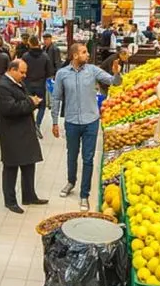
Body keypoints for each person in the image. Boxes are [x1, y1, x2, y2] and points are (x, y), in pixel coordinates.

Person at [51, 43, 123, 211]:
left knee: (88, 158)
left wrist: (117, 73)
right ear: (75, 55)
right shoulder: (62, 74)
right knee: (71, 155)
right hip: (71, 121)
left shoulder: (93, 70)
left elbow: (114, 82)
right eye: (84, 52)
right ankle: (71, 182)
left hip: (91, 121)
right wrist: (54, 121)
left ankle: (84, 194)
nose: (88, 55)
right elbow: (56, 98)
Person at [0, 59, 47, 214]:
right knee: (11, 167)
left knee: (29, 164)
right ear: (12, 70)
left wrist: (31, 101)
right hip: (11, 133)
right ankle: (10, 201)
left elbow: (22, 101)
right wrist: (31, 102)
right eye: (22, 72)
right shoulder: (2, 86)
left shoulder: (17, 83)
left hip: (24, 130)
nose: (24, 75)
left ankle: (29, 196)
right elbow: (10, 109)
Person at [22, 35, 55, 137]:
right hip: (40, 84)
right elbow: (50, 71)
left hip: (28, 84)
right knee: (42, 106)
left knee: (29, 105)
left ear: (30, 43)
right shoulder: (45, 56)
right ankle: (38, 124)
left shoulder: (25, 56)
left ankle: (31, 124)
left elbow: (21, 70)